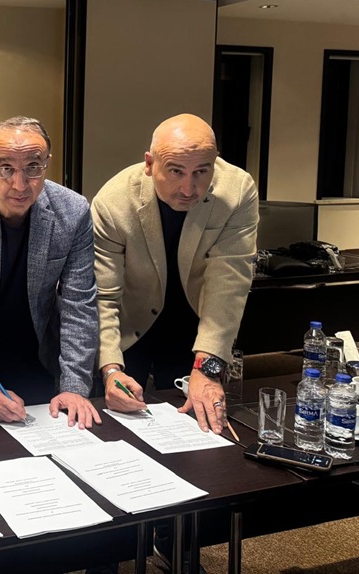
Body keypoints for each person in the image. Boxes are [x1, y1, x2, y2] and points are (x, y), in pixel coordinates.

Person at [91, 114, 257, 574]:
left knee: (196, 436)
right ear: (150, 164)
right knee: (115, 437)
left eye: (202, 171)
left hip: (194, 326)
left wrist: (209, 366)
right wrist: (110, 367)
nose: (189, 187)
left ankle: (176, 542)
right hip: (130, 326)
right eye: (176, 172)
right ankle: (107, 553)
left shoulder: (237, 190)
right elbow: (103, 297)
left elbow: (229, 282)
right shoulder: (114, 201)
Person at [0, 116, 100, 427]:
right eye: (6, 168)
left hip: (39, 353)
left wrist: (74, 386)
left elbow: (79, 305)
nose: (20, 185)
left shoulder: (73, 211)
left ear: (47, 164)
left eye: (33, 167)